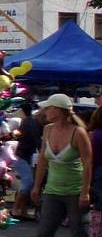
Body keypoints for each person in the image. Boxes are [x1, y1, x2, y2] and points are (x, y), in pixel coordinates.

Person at [31, 93, 92, 237]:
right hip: (52, 190)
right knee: (44, 232)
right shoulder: (48, 130)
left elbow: (88, 163)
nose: (44, 111)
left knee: (78, 232)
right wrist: (37, 186)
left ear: (57, 110)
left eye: (48, 108)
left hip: (74, 192)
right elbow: (42, 160)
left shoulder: (78, 133)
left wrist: (85, 192)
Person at [11, 102, 41, 221]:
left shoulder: (26, 121)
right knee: (28, 182)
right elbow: (37, 140)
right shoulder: (31, 122)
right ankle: (15, 208)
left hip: (23, 155)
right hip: (22, 155)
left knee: (27, 184)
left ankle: (22, 210)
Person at [89, 107, 102, 237]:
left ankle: (96, 232)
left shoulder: (94, 135)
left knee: (99, 204)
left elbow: (90, 158)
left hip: (98, 170)